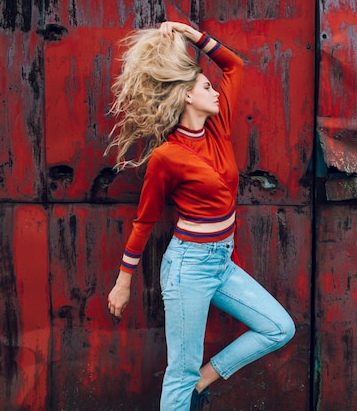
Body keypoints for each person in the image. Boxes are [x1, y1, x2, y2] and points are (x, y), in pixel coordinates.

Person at [105, 21, 295, 411]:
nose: (215, 92)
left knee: (278, 327)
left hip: (220, 262)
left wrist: (194, 37)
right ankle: (190, 383)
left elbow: (234, 67)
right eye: (206, 87)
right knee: (180, 369)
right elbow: (144, 222)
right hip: (187, 266)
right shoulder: (166, 157)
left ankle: (203, 380)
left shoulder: (218, 129)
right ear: (187, 96)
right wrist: (123, 282)